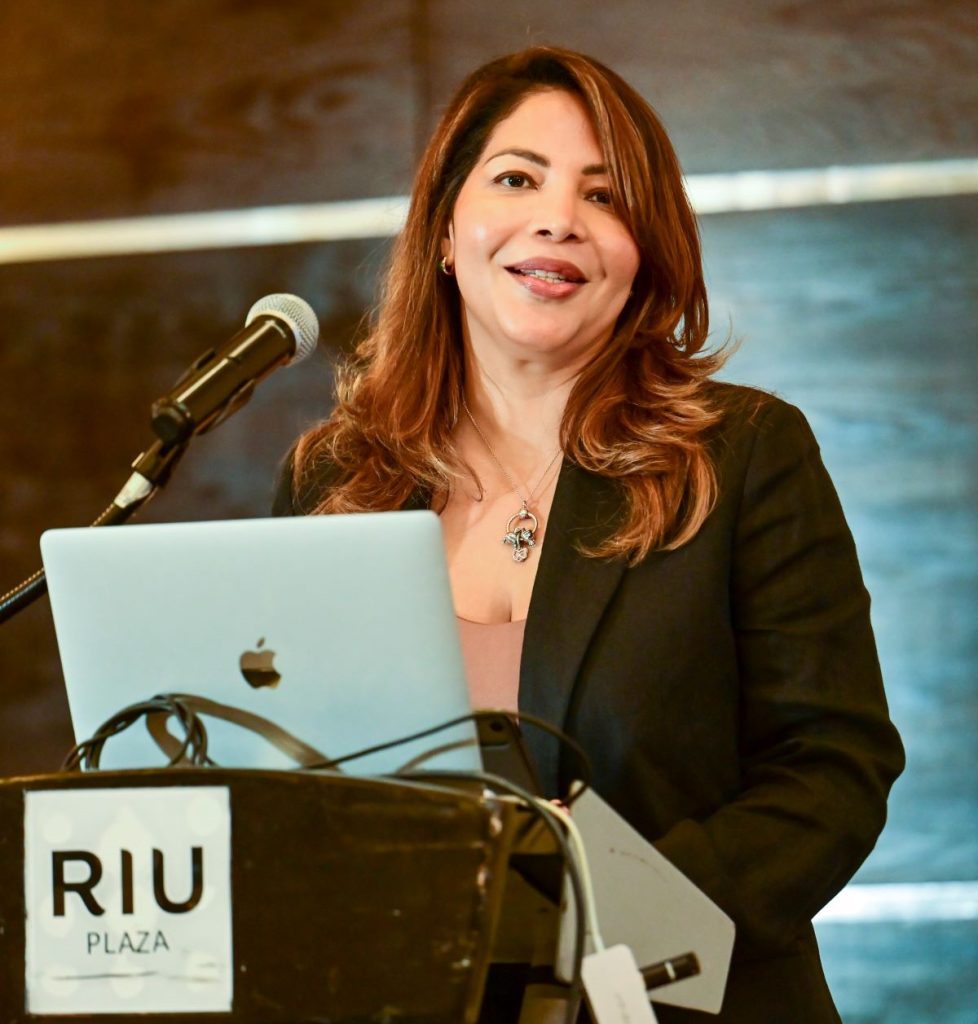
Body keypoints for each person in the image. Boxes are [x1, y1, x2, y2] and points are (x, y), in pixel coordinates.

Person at [273, 46, 905, 1024]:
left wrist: (592, 917)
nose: (558, 218)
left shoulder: (743, 454)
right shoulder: (333, 485)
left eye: (603, 196)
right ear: (444, 231)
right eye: (516, 178)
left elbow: (832, 769)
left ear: (642, 251)